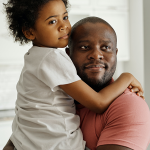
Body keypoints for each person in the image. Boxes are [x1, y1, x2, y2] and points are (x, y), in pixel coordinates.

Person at [3, 0, 144, 149]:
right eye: (52, 21)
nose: (63, 26)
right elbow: (98, 103)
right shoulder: (52, 58)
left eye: (65, 17)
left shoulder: (33, 57)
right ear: (30, 32)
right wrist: (126, 77)